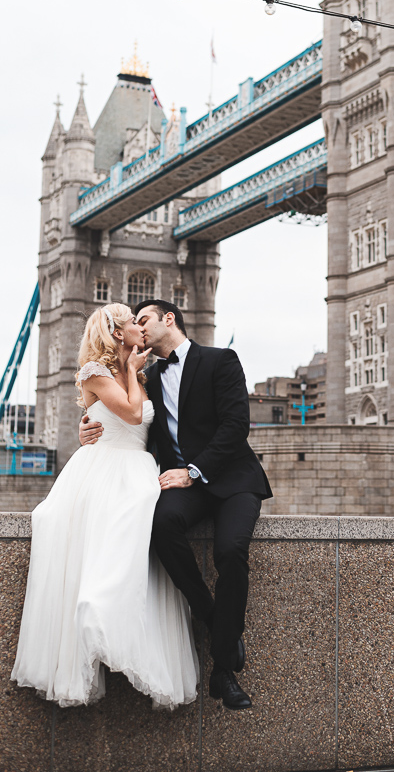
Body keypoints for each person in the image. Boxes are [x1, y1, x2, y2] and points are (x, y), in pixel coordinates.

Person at [79, 299, 271, 710]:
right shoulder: (146, 375)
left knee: (231, 551)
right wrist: (90, 427)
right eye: (133, 322)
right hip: (184, 486)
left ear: (169, 319)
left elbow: (236, 425)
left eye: (143, 319)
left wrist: (194, 470)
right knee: (161, 526)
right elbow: (132, 423)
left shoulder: (221, 360)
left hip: (232, 479)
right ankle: (215, 619)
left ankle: (223, 671)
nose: (138, 327)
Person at [12, 303, 198, 709]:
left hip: (140, 468)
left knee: (140, 556)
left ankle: (123, 632)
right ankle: (96, 620)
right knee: (110, 550)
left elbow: (150, 429)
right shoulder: (95, 371)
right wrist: (130, 371)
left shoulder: (145, 374)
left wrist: (134, 371)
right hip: (106, 469)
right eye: (132, 322)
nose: (138, 326)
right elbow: (132, 414)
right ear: (117, 332)